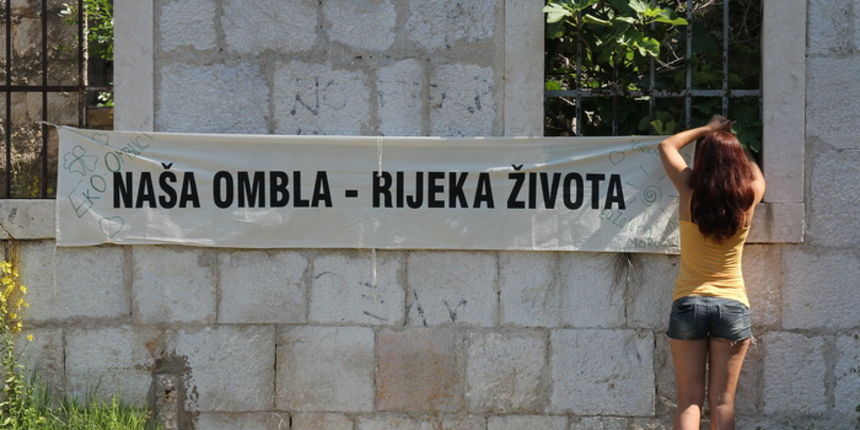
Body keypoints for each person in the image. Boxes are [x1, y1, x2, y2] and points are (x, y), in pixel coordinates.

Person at [657, 115, 766, 430]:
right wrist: (739, 141)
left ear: (703, 160)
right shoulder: (748, 196)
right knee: (723, 402)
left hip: (688, 302)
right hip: (732, 305)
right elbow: (756, 172)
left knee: (689, 400)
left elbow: (667, 145)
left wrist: (709, 130)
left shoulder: (689, 188)